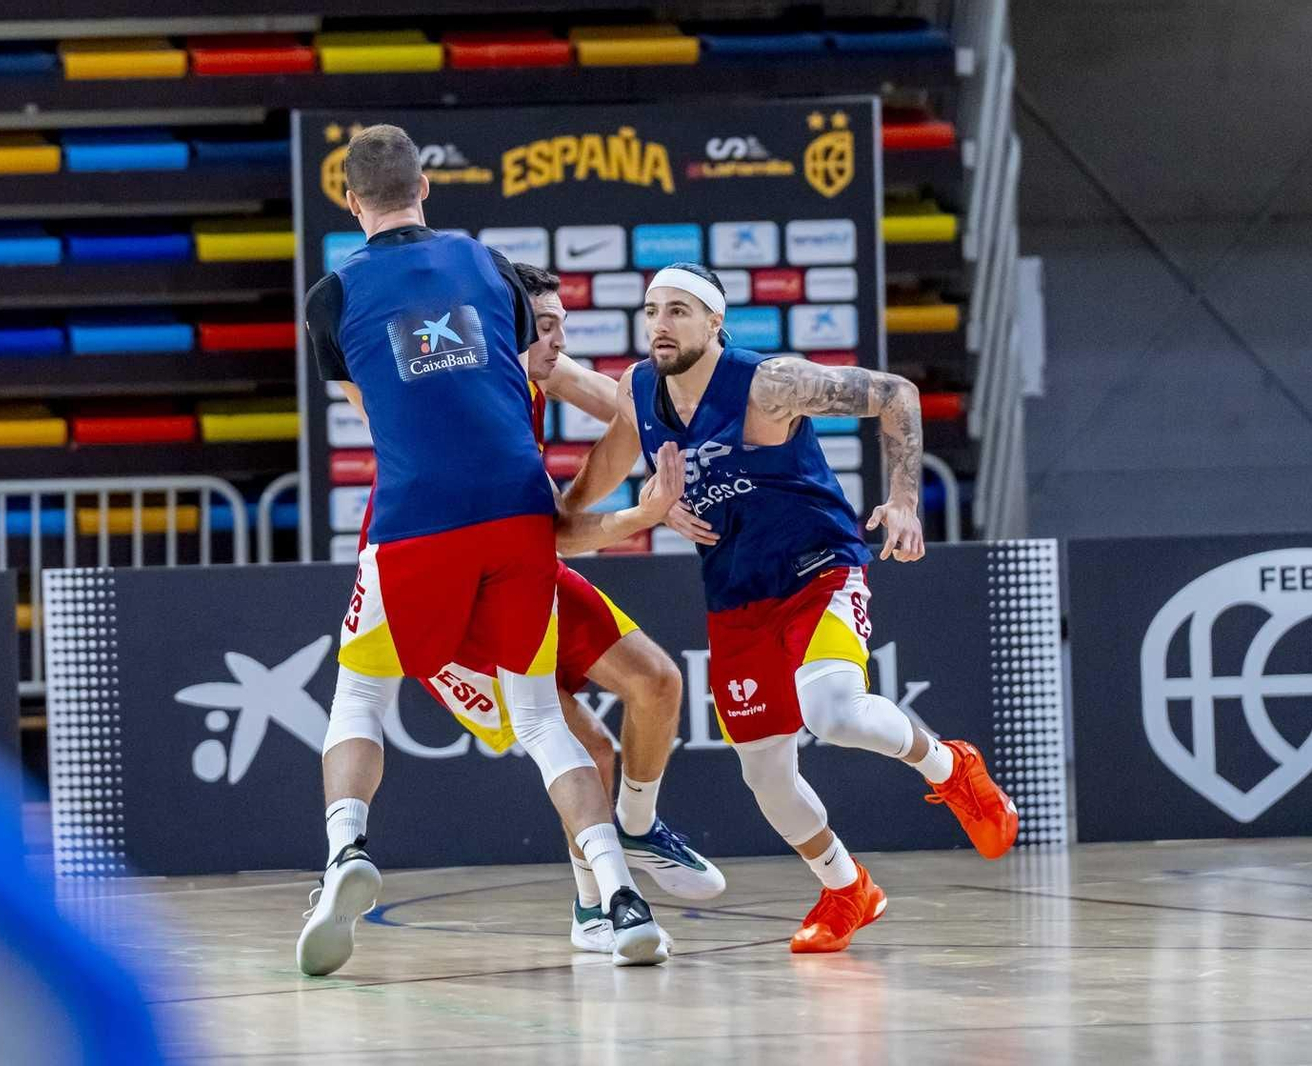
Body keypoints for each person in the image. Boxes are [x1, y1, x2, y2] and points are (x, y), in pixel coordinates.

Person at [295, 123, 675, 974]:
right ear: (425, 187)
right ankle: (619, 897)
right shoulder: (488, 266)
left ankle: (346, 853)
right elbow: (509, 373)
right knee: (543, 716)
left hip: (417, 514)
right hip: (518, 509)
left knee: (360, 696)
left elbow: (376, 407)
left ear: (351, 201)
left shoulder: (331, 297)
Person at [562, 262, 1020, 954]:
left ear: (716, 323)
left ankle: (952, 769)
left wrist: (901, 499)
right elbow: (592, 478)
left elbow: (895, 393)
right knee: (766, 776)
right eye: (653, 310)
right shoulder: (639, 391)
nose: (660, 324)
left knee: (832, 710)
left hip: (819, 568)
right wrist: (639, 513)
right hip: (738, 596)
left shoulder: (767, 384)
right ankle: (846, 887)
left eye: (680, 311)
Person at [410, 262, 725, 956]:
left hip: (524, 569)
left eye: (560, 327)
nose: (558, 344)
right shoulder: (481, 412)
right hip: (456, 611)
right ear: (505, 331)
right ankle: (596, 905)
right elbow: (558, 529)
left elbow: (630, 404)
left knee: (658, 681)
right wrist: (641, 515)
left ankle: (637, 828)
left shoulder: (534, 364)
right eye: (546, 328)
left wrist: (707, 410)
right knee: (588, 747)